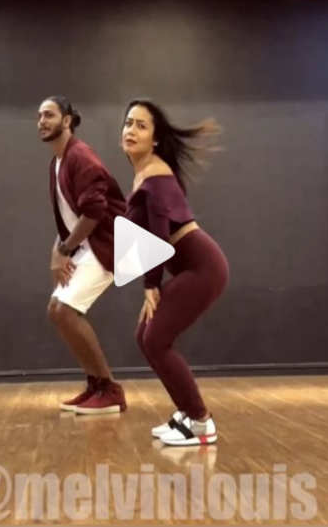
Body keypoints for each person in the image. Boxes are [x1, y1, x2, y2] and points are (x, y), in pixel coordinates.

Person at [120, 99, 229, 445]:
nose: (131, 130)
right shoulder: (145, 173)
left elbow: (158, 234)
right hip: (191, 268)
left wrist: (151, 285)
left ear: (155, 139)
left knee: (156, 339)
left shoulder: (155, 174)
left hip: (204, 267)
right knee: (145, 336)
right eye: (128, 123)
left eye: (141, 125)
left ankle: (200, 422)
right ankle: (186, 412)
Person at [38, 96, 127, 414]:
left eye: (49, 115)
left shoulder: (81, 156)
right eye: (39, 116)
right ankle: (96, 386)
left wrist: (64, 250)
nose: (42, 121)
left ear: (67, 121)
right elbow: (70, 219)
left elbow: (94, 211)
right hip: (89, 244)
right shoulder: (58, 162)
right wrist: (58, 251)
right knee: (56, 310)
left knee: (64, 311)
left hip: (111, 244)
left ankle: (110, 390)